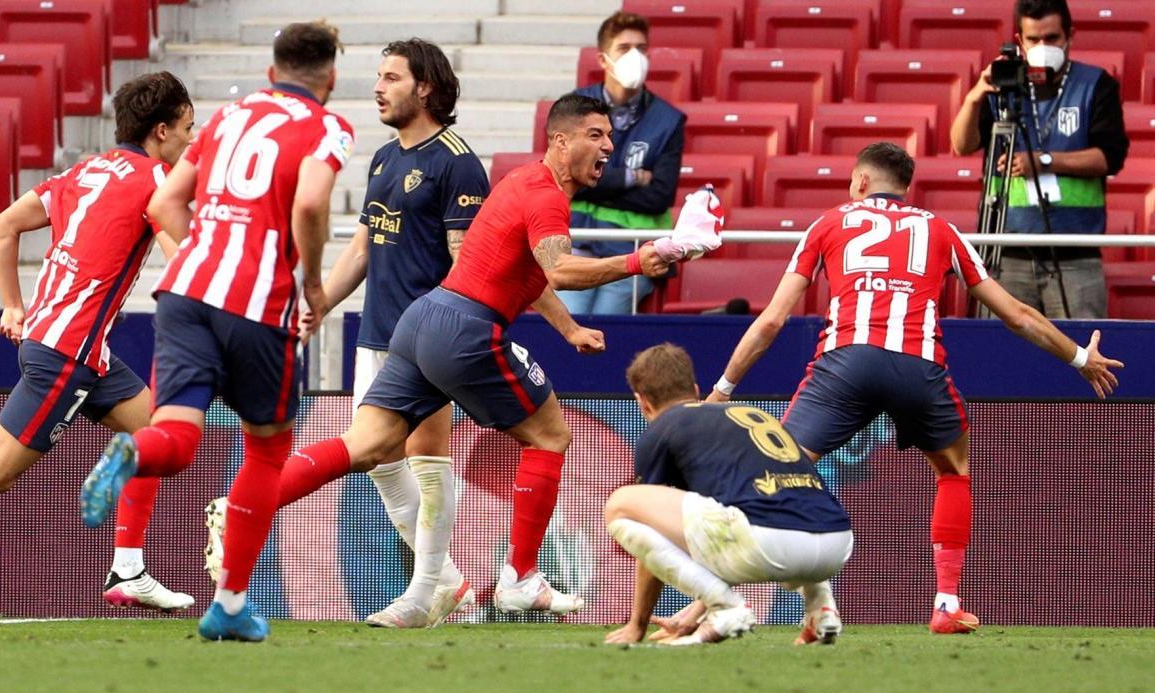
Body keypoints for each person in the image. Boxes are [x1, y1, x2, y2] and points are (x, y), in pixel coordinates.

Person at [264, 94, 675, 630]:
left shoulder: (524, 184)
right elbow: (561, 271)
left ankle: (247, 507)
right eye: (595, 135)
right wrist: (636, 260)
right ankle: (520, 577)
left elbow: (527, 273)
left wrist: (569, 327)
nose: (608, 145)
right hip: (467, 331)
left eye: (609, 136)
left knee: (364, 446)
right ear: (560, 141)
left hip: (420, 320)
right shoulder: (546, 196)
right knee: (551, 435)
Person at [706, 142, 1123, 634]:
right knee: (954, 470)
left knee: (781, 470)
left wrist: (723, 388)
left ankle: (715, 600)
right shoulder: (942, 231)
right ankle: (946, 603)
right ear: (907, 186)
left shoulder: (828, 223)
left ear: (860, 181)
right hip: (918, 365)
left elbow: (773, 319)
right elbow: (1016, 314)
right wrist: (1078, 357)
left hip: (846, 362)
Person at [78, 21, 355, 642]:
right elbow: (311, 203)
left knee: (173, 436)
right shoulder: (327, 126)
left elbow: (165, 204)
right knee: (266, 448)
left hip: (184, 293)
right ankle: (229, 602)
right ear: (330, 79)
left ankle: (131, 451)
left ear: (270, 72)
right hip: (258, 303)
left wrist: (201, 253)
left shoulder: (228, 117)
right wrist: (311, 283)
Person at [201, 38, 486, 628]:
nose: (378, 87)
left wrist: (446, 329)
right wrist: (320, 305)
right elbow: (362, 247)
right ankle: (449, 581)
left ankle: (424, 592)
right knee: (379, 460)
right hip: (375, 333)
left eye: (392, 78)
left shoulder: (456, 161)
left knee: (425, 455)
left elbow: (466, 264)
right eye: (378, 76)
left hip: (426, 337)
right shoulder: (384, 159)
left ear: (425, 87)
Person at [0, 72, 197, 612]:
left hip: (67, 343)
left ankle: (128, 569)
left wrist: (14, 305)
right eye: (187, 130)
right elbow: (183, 253)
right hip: (68, 353)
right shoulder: (157, 180)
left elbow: (3, 226)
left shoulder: (84, 171)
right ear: (160, 130)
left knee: (157, 436)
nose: (189, 141)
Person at [603, 343, 853, 646]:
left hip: (769, 545)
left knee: (621, 504)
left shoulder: (662, 430)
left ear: (641, 402)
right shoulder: (749, 415)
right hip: (836, 545)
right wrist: (693, 614)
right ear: (695, 389)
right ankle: (820, 608)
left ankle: (727, 608)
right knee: (783, 506)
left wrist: (636, 625)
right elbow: (727, 528)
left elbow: (664, 534)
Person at [949, 0, 1129, 318]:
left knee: (1084, 356)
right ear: (1020, 40)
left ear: (1070, 35)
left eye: (1052, 38)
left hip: (1076, 254)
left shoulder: (1096, 85)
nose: (1043, 47)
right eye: (1033, 40)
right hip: (1006, 252)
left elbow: (1109, 158)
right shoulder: (1003, 86)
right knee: (1004, 356)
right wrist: (974, 96)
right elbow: (962, 145)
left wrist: (1043, 161)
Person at [558, 10, 685, 315]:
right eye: (624, 49)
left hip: (633, 249)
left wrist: (591, 183)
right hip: (577, 240)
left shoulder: (669, 120)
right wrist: (629, 178)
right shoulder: (575, 107)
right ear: (603, 59)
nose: (635, 56)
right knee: (570, 324)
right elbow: (561, 177)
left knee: (605, 327)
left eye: (641, 49)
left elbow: (659, 197)